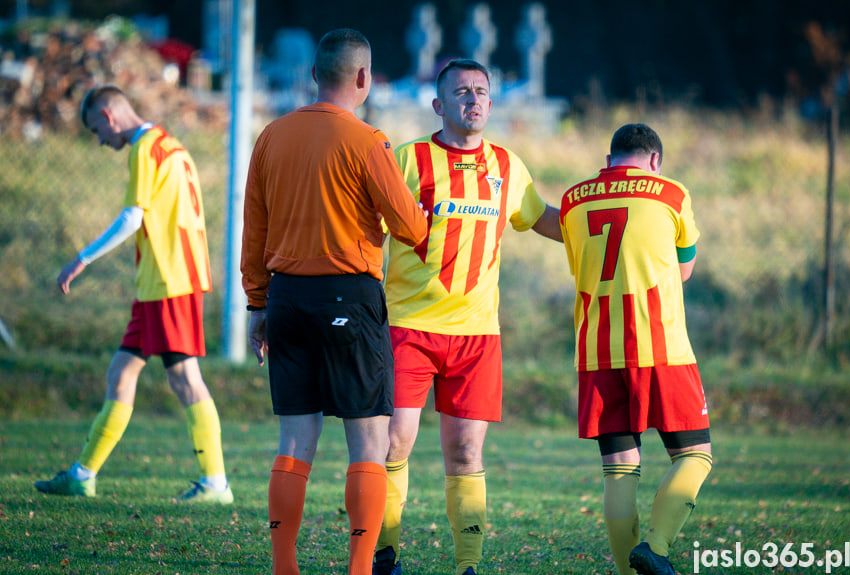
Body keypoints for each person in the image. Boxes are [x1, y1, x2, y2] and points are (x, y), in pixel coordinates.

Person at [240, 29, 427, 575]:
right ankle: (360, 568)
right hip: (350, 295)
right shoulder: (368, 141)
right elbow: (411, 226)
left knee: (296, 436)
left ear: (314, 75)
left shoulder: (272, 136)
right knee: (368, 437)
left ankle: (284, 566)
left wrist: (258, 305)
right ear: (364, 78)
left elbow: (255, 229)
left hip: (287, 298)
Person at [373, 58, 563, 575]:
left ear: (491, 103)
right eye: (461, 92)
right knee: (394, 441)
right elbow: (369, 228)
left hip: (477, 335)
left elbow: (540, 217)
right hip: (408, 328)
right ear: (439, 105)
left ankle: (468, 565)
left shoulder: (507, 164)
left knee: (466, 452)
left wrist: (600, 225)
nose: (473, 99)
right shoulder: (407, 160)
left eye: (481, 91)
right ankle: (384, 553)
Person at [35, 85, 232, 504]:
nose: (99, 142)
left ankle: (216, 484)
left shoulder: (144, 149)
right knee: (121, 373)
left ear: (108, 117)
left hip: (170, 280)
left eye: (95, 131)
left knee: (184, 378)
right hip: (159, 283)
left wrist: (82, 259)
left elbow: (132, 217)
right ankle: (82, 475)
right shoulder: (170, 144)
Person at [559, 123, 713, 575]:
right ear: (655, 160)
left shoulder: (574, 200)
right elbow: (685, 270)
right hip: (659, 344)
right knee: (695, 456)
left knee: (619, 468)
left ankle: (628, 572)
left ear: (608, 162)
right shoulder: (670, 192)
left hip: (596, 349)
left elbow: (580, 262)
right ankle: (657, 547)